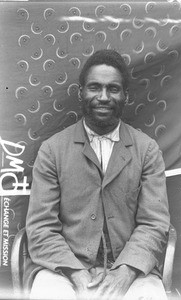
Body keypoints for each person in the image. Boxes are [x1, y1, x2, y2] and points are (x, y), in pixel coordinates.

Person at [26, 49, 170, 300]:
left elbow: (154, 223)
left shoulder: (147, 150)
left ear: (126, 95)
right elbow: (41, 227)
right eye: (94, 87)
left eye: (113, 89)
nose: (103, 97)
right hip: (65, 270)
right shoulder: (52, 150)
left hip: (131, 270)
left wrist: (125, 273)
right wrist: (77, 274)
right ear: (81, 92)